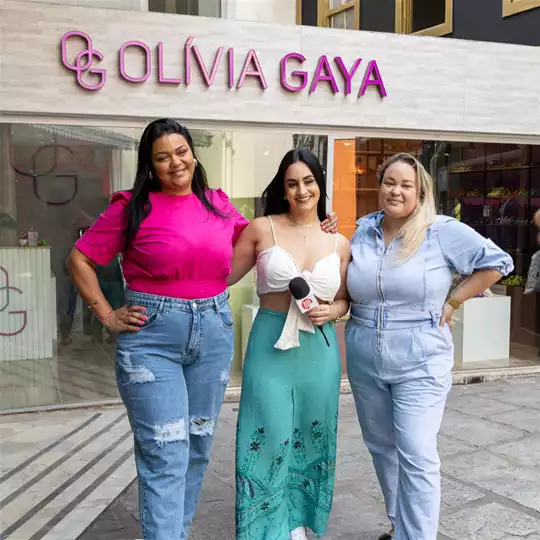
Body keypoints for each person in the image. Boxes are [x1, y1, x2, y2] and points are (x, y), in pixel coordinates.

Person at [67, 118, 337, 540]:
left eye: (181, 152)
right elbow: (79, 259)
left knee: (195, 447)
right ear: (150, 165)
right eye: (162, 157)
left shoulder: (217, 204)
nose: (175, 163)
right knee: (166, 450)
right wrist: (106, 314)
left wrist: (314, 225)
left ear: (194, 155)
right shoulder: (131, 207)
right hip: (152, 338)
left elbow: (267, 237)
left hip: (212, 332)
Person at [345, 153, 513, 540]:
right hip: (364, 352)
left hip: (420, 356)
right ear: (379, 186)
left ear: (420, 192)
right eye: (390, 182)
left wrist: (453, 301)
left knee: (417, 451)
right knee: (381, 447)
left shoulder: (440, 231)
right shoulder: (363, 231)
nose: (396, 191)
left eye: (406, 185)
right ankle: (399, 525)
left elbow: (497, 263)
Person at [229, 149, 351, 540]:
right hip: (270, 345)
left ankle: (298, 522)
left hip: (319, 350)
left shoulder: (339, 242)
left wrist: (333, 311)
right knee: (266, 430)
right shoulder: (261, 229)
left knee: (313, 434)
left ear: (320, 185)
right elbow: (221, 275)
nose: (302, 191)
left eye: (309, 181)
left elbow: (346, 300)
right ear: (282, 189)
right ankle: (266, 528)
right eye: (292, 183)